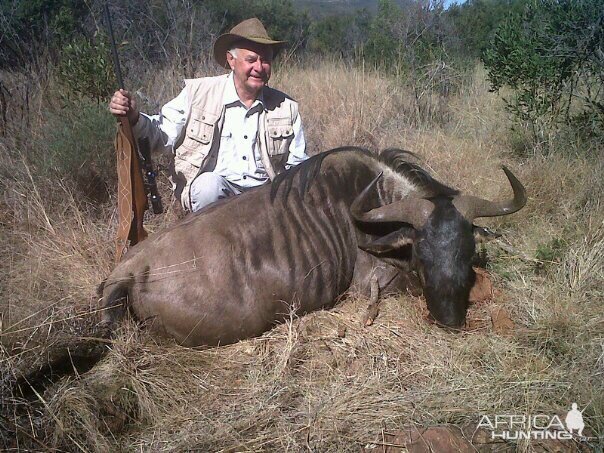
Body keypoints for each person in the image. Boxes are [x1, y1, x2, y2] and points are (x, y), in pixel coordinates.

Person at [109, 18, 308, 212]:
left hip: (265, 199)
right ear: (231, 60)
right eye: (251, 59)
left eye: (265, 60)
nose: (259, 67)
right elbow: (162, 136)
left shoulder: (286, 107)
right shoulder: (197, 94)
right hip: (214, 202)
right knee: (208, 186)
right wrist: (134, 117)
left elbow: (298, 165)